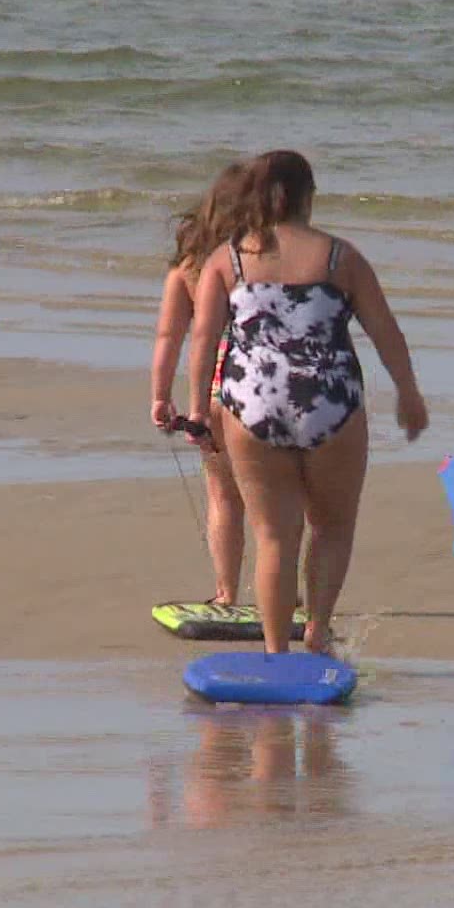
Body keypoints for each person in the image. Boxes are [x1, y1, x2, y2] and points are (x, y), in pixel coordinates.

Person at [182, 150, 429, 656]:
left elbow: (203, 340)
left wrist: (196, 409)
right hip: (329, 400)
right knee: (332, 526)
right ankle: (317, 632)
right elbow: (385, 331)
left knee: (274, 535)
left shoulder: (226, 259)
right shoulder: (340, 257)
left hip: (252, 403)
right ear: (306, 197)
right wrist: (408, 392)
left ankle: (277, 654)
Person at [148, 162, 256, 606]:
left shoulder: (189, 267)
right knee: (276, 500)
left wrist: (160, 396)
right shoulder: (259, 259)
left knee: (223, 496)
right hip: (262, 383)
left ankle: (227, 592)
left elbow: (169, 337)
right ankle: (283, 590)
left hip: (212, 389)